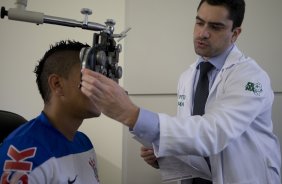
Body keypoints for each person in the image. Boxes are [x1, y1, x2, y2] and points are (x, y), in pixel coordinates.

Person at [80, 0, 281, 183]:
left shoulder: (250, 77)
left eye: (215, 27)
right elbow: (192, 137)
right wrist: (164, 155)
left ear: (235, 33)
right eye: (199, 22)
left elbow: (213, 134)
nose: (202, 33)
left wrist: (132, 114)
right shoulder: (188, 76)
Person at [0, 40, 101, 183]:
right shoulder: (23, 152)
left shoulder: (84, 143)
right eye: (91, 79)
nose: (101, 88)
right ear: (57, 84)